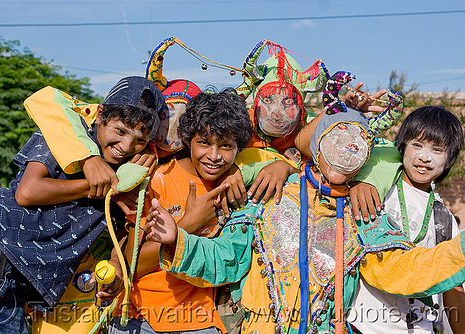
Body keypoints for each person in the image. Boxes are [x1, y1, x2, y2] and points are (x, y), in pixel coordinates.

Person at [141, 90, 465, 334]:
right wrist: (179, 242)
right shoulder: (270, 192)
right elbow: (226, 257)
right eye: (337, 139)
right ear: (320, 144)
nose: (345, 150)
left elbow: (398, 268)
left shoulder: (363, 210)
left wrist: (460, 250)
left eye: (356, 144)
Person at [0, 76, 165, 333]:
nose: (126, 146)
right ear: (101, 115)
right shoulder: (68, 131)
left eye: (140, 140)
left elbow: (124, 231)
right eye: (121, 131)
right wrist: (104, 188)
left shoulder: (132, 171)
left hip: (17, 283)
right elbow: (27, 192)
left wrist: (116, 266)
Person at [107, 90, 254, 334]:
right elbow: (131, 264)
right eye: (204, 143)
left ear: (239, 148)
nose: (214, 156)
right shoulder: (158, 180)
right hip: (139, 317)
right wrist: (189, 223)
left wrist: (282, 165)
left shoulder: (234, 187)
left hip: (199, 320)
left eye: (226, 146)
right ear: (188, 141)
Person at [347, 106, 465, 334]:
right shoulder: (377, 190)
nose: (425, 157)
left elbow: (453, 287)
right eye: (417, 145)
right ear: (402, 146)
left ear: (449, 159)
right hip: (363, 326)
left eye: (437, 149)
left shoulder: (445, 219)